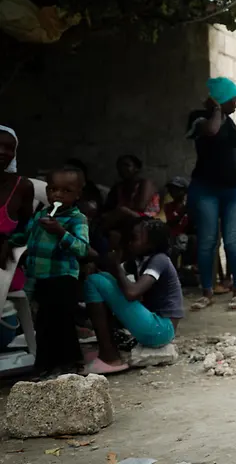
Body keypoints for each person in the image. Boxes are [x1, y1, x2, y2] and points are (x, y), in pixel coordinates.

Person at [2, 167, 89, 375]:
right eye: (53, 190)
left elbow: (82, 248)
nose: (57, 195)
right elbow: (25, 235)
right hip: (39, 278)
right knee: (43, 323)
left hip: (62, 278)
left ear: (78, 194)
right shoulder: (41, 214)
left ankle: (69, 364)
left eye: (66, 191)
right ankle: (45, 366)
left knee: (62, 322)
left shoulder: (77, 219)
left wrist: (60, 232)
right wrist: (8, 242)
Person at [84, 218, 184, 375]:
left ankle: (109, 357)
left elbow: (132, 293)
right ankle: (108, 349)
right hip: (156, 326)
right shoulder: (139, 260)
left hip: (161, 329)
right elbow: (111, 274)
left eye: (135, 238)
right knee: (102, 278)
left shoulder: (159, 260)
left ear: (151, 244)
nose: (130, 242)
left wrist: (116, 267)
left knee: (94, 281)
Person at [186, 76, 236, 311]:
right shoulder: (199, 118)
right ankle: (207, 292)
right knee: (207, 242)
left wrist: (222, 111)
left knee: (233, 241)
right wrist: (217, 109)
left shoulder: (229, 121)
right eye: (233, 100)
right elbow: (211, 131)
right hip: (206, 189)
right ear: (221, 100)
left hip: (234, 190)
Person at [0, 126, 36, 293]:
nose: (2, 152)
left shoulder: (22, 187)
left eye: (9, 148)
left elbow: (27, 228)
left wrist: (10, 241)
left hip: (4, 267)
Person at [102, 154, 160, 234]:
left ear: (136, 168)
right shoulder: (119, 187)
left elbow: (141, 207)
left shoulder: (145, 184)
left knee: (122, 211)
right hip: (127, 219)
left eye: (127, 165)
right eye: (120, 166)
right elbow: (108, 207)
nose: (123, 169)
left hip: (147, 219)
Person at [163, 177, 193, 267]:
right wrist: (182, 211)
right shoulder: (168, 206)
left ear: (184, 191)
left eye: (176, 189)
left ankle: (186, 268)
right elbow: (171, 222)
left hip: (186, 237)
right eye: (171, 189)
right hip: (172, 237)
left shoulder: (191, 205)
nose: (173, 192)